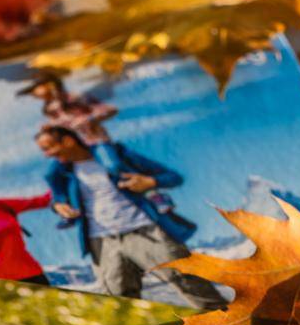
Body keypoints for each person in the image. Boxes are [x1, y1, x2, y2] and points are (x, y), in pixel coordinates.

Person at [36, 125, 226, 307]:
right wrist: (59, 206)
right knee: (118, 298)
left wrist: (150, 181)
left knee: (191, 285)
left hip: (146, 232)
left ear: (68, 141)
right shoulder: (61, 174)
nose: (47, 154)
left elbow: (173, 177)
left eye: (49, 147)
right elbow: (57, 198)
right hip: (101, 243)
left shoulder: (115, 156)